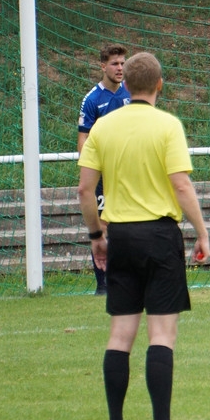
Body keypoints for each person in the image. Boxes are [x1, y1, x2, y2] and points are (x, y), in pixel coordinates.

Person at [78, 52, 210, 420]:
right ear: (159, 85)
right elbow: (181, 185)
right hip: (159, 236)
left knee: (120, 335)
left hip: (119, 237)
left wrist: (96, 236)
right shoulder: (167, 125)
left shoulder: (103, 126)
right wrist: (202, 233)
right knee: (162, 335)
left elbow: (85, 189)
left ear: (127, 84)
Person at [78, 44, 131, 295]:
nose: (120, 68)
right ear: (103, 66)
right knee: (103, 225)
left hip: (129, 172)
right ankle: (103, 284)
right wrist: (93, 171)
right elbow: (83, 140)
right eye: (114, 64)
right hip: (104, 177)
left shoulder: (131, 92)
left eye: (122, 63)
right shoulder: (92, 100)